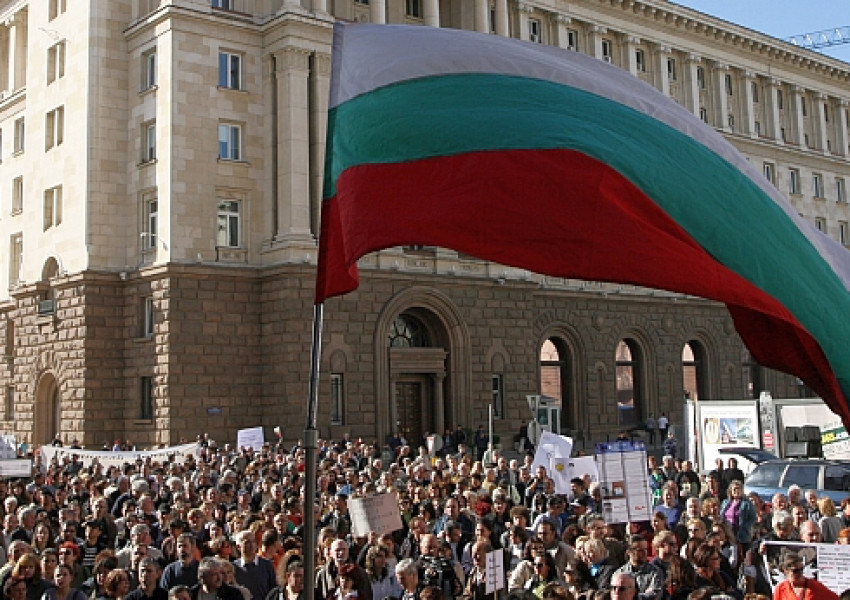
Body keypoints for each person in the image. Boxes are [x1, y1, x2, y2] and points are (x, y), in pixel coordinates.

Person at [772, 552, 837, 600]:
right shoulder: (781, 588)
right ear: (785, 571)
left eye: (801, 569)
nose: (800, 573)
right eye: (795, 571)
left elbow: (835, 598)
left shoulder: (814, 585)